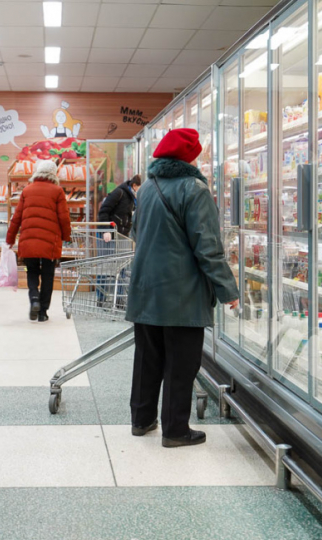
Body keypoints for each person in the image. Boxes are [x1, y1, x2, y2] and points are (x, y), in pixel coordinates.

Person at [125, 128, 240, 448]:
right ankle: (175, 429)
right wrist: (228, 291)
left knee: (147, 358)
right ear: (191, 156)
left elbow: (136, 232)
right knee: (181, 362)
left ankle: (142, 419)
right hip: (181, 293)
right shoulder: (195, 189)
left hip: (145, 288)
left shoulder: (147, 187)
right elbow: (208, 248)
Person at [6, 160, 72, 322]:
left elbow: (17, 217)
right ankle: (43, 312)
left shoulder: (27, 190)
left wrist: (10, 238)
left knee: (32, 271)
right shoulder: (57, 191)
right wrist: (66, 236)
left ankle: (34, 297)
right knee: (48, 275)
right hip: (50, 241)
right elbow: (64, 218)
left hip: (29, 240)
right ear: (53, 174)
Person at [99, 175, 141, 242]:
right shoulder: (119, 193)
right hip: (111, 237)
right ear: (134, 186)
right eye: (141, 188)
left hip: (123, 237)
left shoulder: (133, 198)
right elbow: (104, 211)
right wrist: (106, 231)